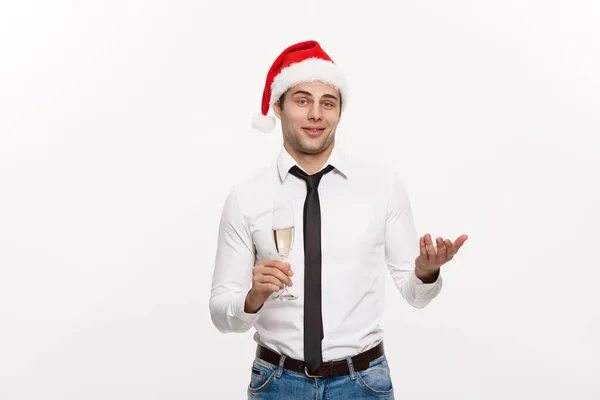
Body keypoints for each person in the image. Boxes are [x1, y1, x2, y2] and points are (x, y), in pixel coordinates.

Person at [209, 40, 468, 399]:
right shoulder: (246, 198)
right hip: (277, 383)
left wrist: (426, 271)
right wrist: (252, 298)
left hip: (362, 382)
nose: (316, 114)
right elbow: (222, 313)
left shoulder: (382, 186)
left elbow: (415, 294)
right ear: (278, 108)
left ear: (339, 113)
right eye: (302, 100)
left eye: (327, 103)